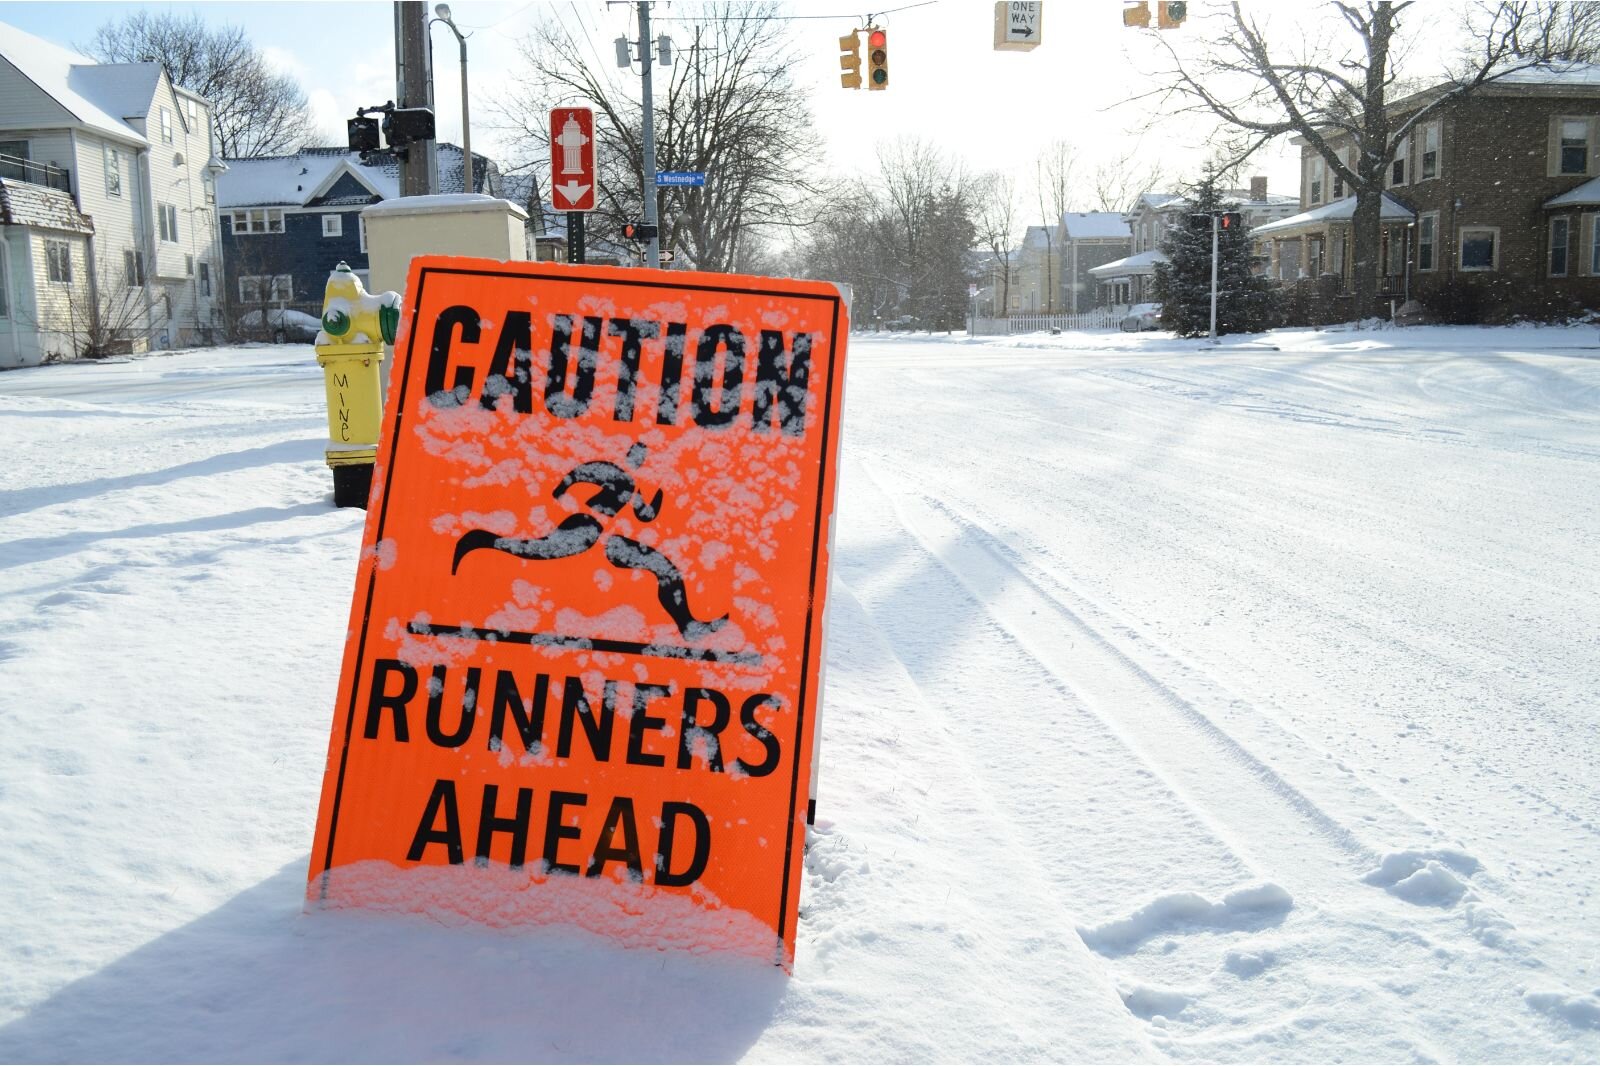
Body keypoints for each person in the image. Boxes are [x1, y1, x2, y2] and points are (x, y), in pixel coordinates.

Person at [451, 442, 727, 639]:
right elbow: (586, 471)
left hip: (612, 540)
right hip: (587, 528)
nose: (639, 458)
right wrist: (563, 487)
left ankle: (687, 625)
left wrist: (654, 504)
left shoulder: (636, 484)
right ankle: (482, 540)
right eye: (637, 452)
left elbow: (643, 515)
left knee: (662, 567)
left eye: (643, 455)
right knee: (536, 550)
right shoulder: (617, 473)